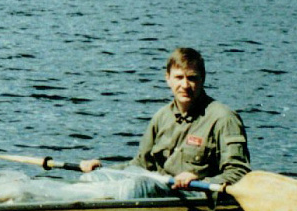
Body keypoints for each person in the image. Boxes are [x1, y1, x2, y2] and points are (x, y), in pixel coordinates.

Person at [82, 47, 250, 188]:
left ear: (202, 79)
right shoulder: (161, 117)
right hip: (159, 189)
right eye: (179, 77)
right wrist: (102, 170)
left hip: (194, 194)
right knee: (91, 180)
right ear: (168, 79)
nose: (185, 85)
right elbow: (141, 165)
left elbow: (238, 173)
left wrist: (200, 180)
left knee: (134, 187)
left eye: (192, 78)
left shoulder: (223, 118)